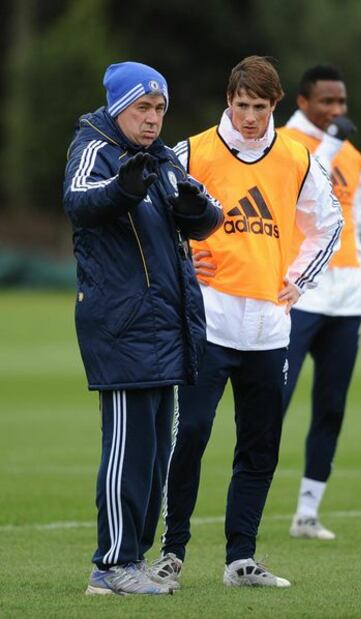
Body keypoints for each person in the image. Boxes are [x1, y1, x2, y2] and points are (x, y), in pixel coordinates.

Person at [149, 56, 343, 589]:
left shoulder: (297, 158)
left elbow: (330, 223)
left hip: (269, 328)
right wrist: (182, 255)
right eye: (241, 105)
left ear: (274, 105)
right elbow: (149, 211)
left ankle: (241, 560)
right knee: (190, 434)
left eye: (259, 107)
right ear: (228, 100)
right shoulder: (193, 151)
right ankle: (171, 554)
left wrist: (300, 279)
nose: (250, 116)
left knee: (259, 446)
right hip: (205, 323)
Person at [63, 61, 223, 596]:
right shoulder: (94, 148)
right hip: (123, 324)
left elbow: (211, 215)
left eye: (159, 109)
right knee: (127, 450)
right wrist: (124, 188)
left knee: (154, 456)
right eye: (143, 108)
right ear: (118, 107)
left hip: (165, 327)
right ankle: (111, 565)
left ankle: (133, 560)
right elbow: (81, 203)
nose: (153, 119)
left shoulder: (160, 158)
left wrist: (196, 210)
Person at [277, 65, 361, 540]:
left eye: (341, 102)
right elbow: (298, 189)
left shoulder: (354, 158)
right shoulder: (282, 144)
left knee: (332, 406)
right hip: (299, 292)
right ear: (302, 102)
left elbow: (355, 232)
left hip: (345, 298)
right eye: (327, 102)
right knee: (273, 403)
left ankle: (307, 513)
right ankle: (249, 505)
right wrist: (334, 142)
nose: (337, 111)